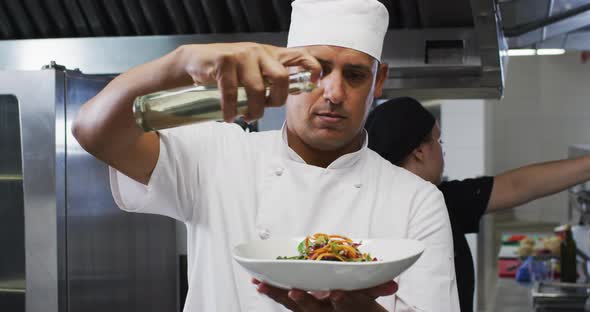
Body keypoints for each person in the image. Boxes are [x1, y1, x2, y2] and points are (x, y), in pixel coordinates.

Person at [72, 0, 460, 311]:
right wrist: (180, 61)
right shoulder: (217, 155)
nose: (334, 93)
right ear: (283, 71)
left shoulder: (416, 201)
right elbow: (93, 130)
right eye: (317, 70)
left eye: (355, 75)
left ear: (379, 81)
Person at [365, 96, 590, 312]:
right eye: (439, 141)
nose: (443, 150)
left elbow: (518, 185)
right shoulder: (387, 216)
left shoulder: (441, 199)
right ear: (420, 151)